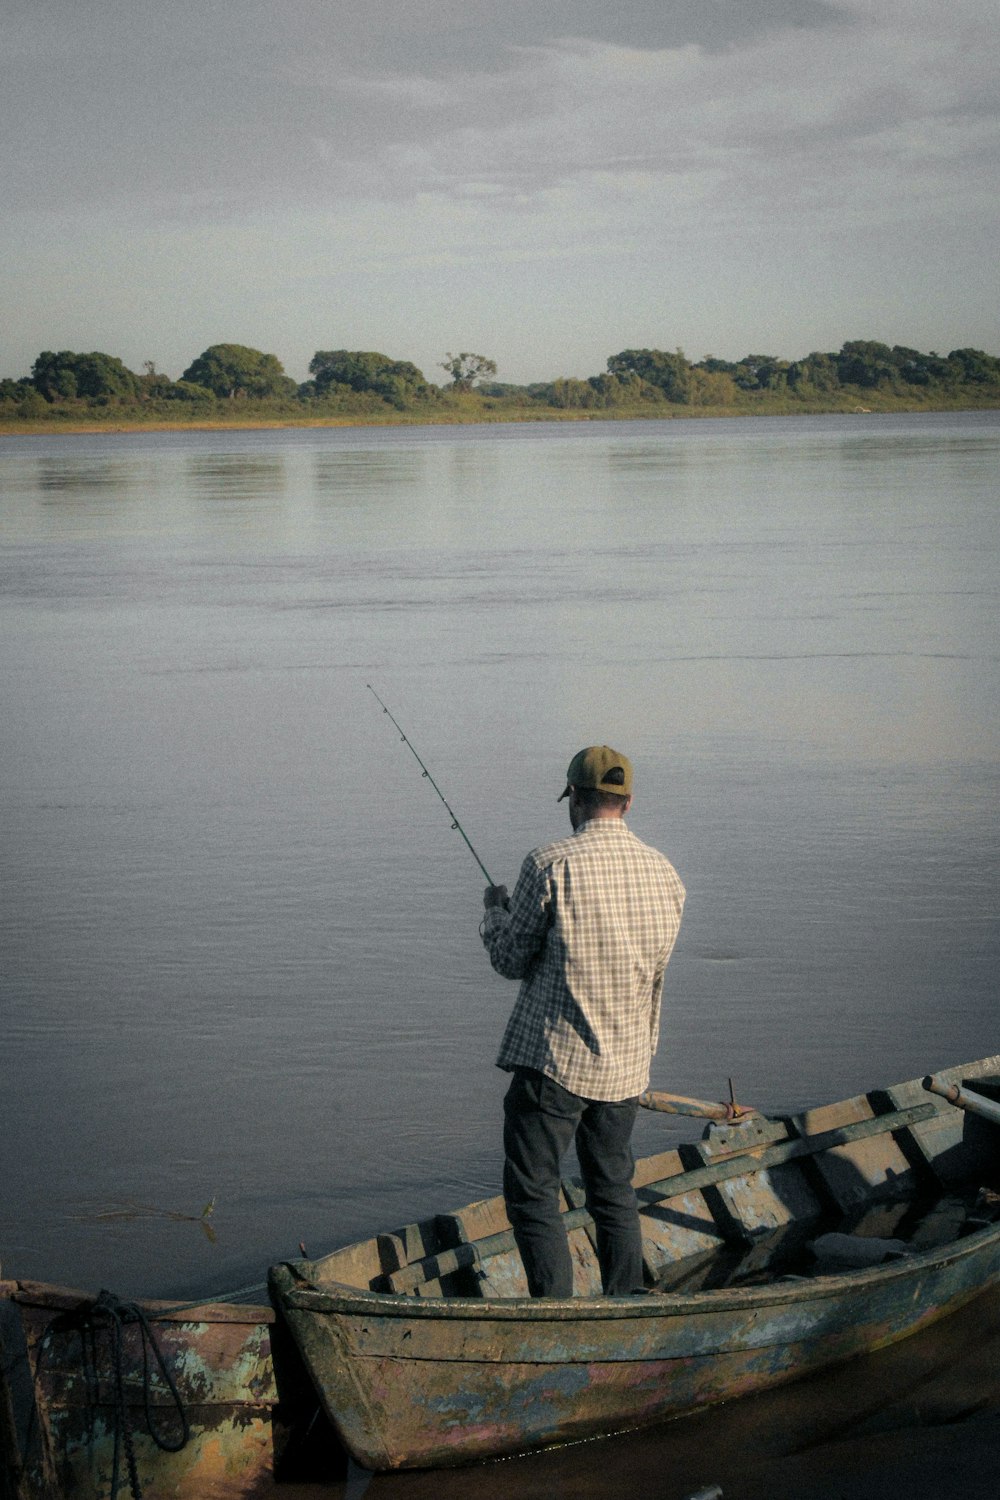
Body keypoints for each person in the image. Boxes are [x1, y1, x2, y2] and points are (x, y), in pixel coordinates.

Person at [480, 745, 685, 1298]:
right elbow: (654, 970)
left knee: (533, 1192)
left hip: (556, 1062)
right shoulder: (667, 875)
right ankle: (624, 1302)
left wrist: (494, 915)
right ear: (628, 802)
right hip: (625, 1067)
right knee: (614, 1190)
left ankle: (555, 1314)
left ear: (574, 798)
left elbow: (511, 960)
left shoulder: (549, 863)